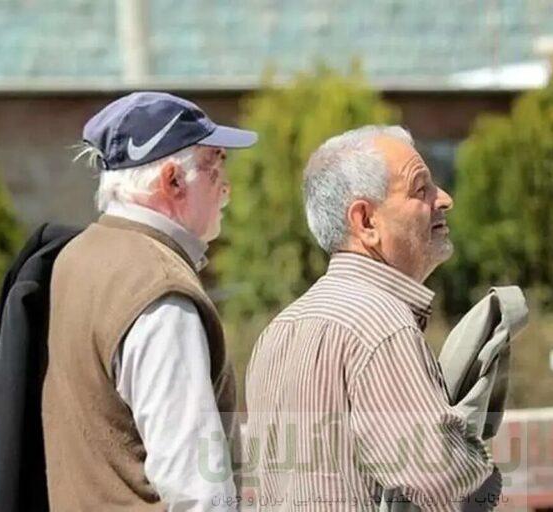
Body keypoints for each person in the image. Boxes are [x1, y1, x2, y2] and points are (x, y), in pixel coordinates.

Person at [244, 126, 501, 510]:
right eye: (421, 190)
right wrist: (481, 469)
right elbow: (444, 481)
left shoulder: (279, 329)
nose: (444, 200)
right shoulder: (383, 325)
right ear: (365, 221)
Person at [41, 91, 257, 510]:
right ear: (172, 180)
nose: (226, 187)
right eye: (214, 166)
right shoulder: (160, 289)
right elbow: (195, 490)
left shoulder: (76, 257)